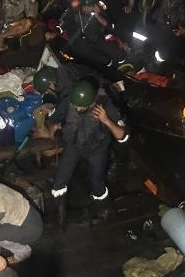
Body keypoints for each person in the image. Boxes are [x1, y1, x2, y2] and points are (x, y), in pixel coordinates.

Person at [50, 78, 129, 229]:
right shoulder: (68, 101)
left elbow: (123, 137)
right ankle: (60, 218)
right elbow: (54, 118)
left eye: (82, 107)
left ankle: (105, 213)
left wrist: (106, 120)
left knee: (97, 185)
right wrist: (55, 125)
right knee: (59, 182)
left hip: (97, 149)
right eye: (75, 106)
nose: (78, 109)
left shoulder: (105, 105)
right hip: (74, 144)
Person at [46, 0, 125, 69]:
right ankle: (109, 67)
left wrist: (97, 15)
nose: (91, 8)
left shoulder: (98, 11)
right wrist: (54, 32)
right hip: (78, 42)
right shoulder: (73, 13)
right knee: (101, 59)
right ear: (83, 5)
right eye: (89, 6)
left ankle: (123, 64)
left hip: (95, 38)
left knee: (115, 52)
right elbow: (62, 25)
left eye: (93, 5)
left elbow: (108, 26)